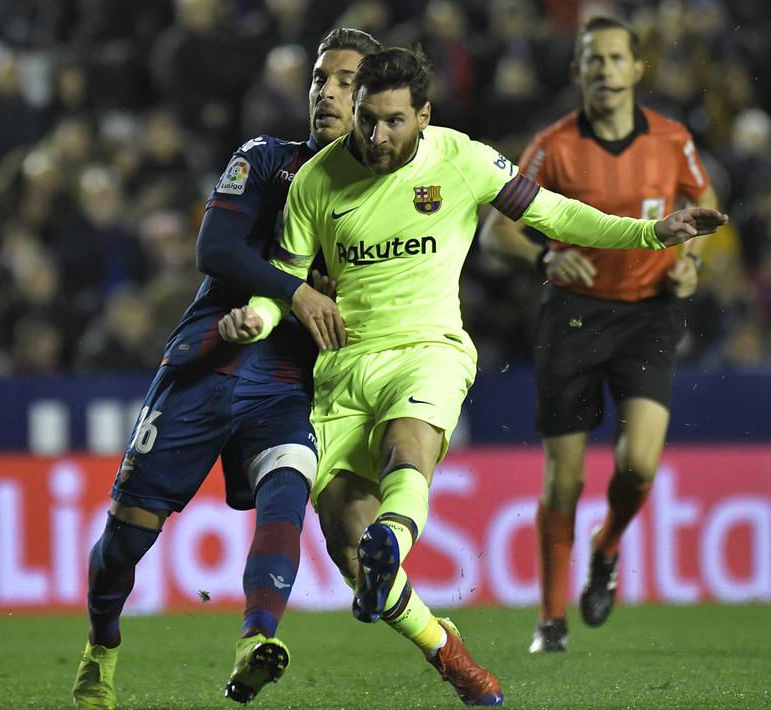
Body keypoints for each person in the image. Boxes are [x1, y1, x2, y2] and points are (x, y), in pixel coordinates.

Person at [219, 46, 725, 707]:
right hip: (341, 366)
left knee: (409, 446)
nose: (377, 137)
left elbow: (555, 214)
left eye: (394, 122)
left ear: (423, 115)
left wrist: (650, 234)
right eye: (367, 120)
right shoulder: (315, 181)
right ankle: (448, 652)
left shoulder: (461, 159)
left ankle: (389, 544)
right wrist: (254, 318)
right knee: (346, 541)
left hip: (428, 349)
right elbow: (283, 286)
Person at [71, 28, 382, 710]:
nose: (326, 92)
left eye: (345, 81)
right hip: (209, 359)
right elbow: (214, 249)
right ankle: (101, 644)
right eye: (319, 79)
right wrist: (293, 292)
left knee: (285, 492)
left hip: (284, 381)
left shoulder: (386, 198)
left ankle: (256, 640)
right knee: (125, 545)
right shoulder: (266, 159)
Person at [477, 16, 718, 654]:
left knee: (640, 462)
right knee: (566, 478)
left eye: (616, 58)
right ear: (578, 71)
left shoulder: (671, 140)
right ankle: (551, 620)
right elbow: (495, 229)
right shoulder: (553, 145)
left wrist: (692, 263)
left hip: (648, 313)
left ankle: (607, 548)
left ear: (637, 69)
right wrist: (543, 258)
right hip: (574, 315)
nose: (606, 69)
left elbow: (704, 212)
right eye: (594, 59)